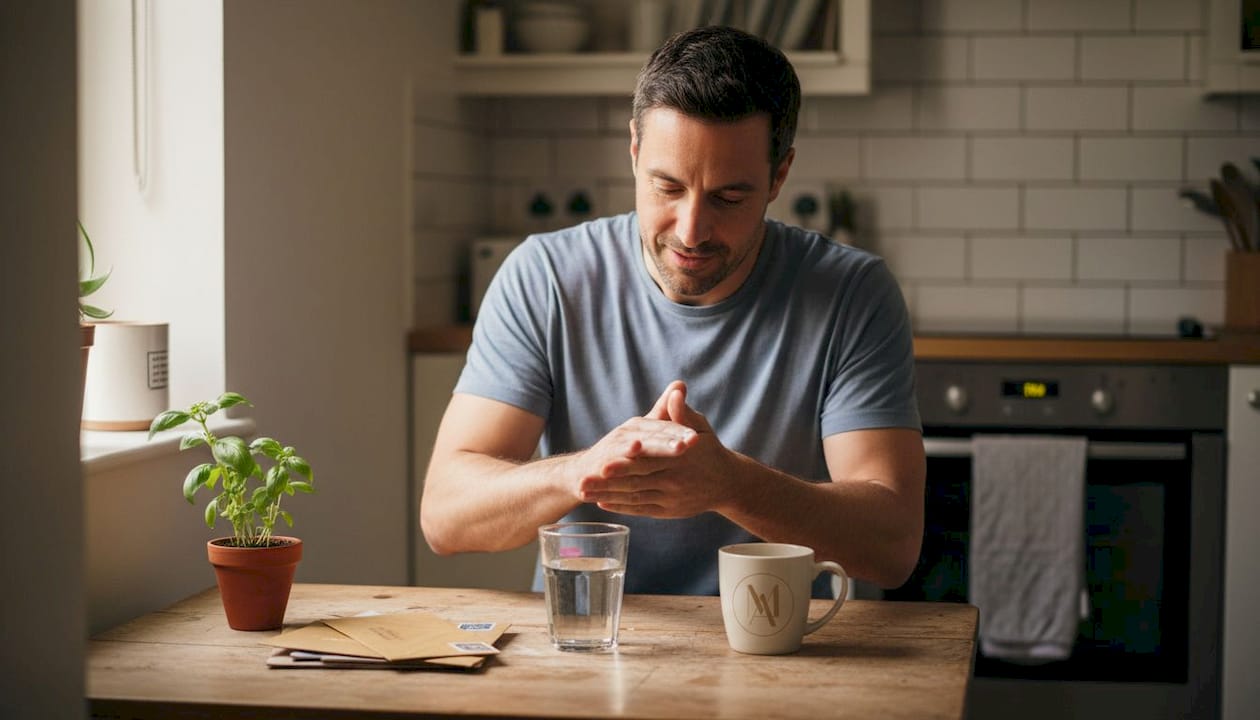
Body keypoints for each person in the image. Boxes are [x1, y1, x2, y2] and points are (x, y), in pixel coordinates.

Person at [420, 25, 925, 597]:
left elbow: (893, 545)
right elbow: (446, 516)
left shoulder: (852, 294)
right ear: (634, 152)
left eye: (728, 198)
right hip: (586, 647)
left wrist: (730, 484)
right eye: (667, 187)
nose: (690, 230)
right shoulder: (545, 277)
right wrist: (584, 469)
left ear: (779, 175)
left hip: (785, 652)